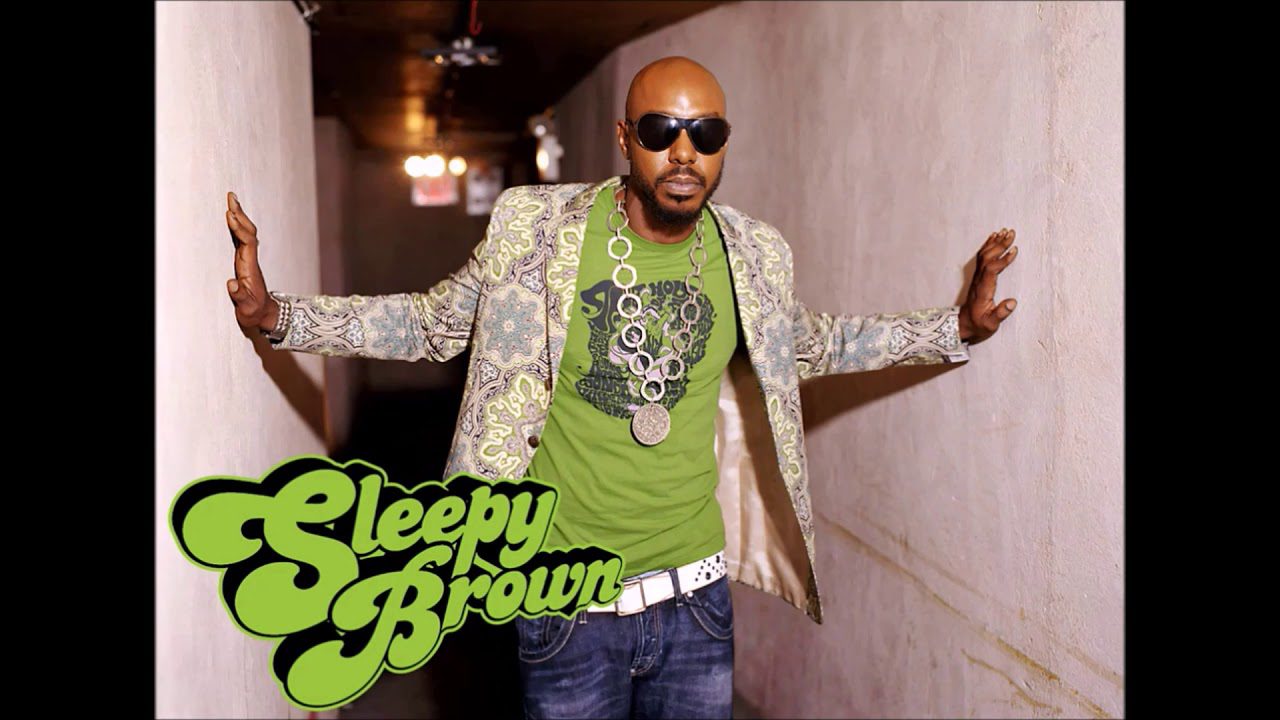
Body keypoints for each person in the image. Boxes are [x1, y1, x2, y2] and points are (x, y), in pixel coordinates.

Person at [224, 56, 1017, 720]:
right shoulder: (537, 234)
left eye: (706, 134)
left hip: (697, 601)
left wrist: (954, 328)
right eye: (661, 131)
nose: (684, 153)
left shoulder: (754, 255)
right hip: (565, 603)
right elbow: (429, 324)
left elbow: (820, 343)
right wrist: (277, 315)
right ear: (624, 137)